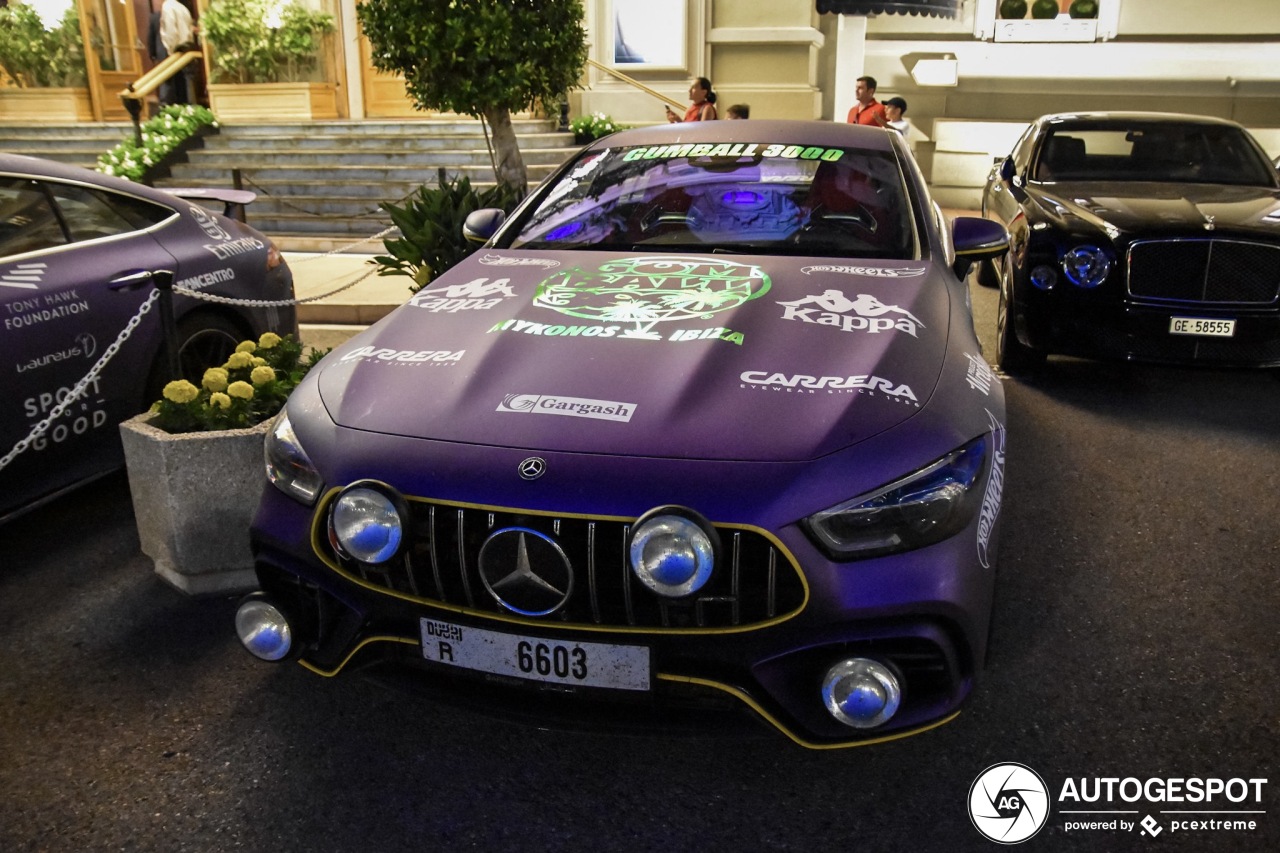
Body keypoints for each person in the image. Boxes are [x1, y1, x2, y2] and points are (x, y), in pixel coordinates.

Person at [158, 0, 195, 105]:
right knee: (187, 83)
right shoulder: (182, 8)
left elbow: (170, 31)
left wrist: (170, 49)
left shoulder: (168, 6)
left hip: (177, 48)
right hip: (188, 47)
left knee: (174, 85)